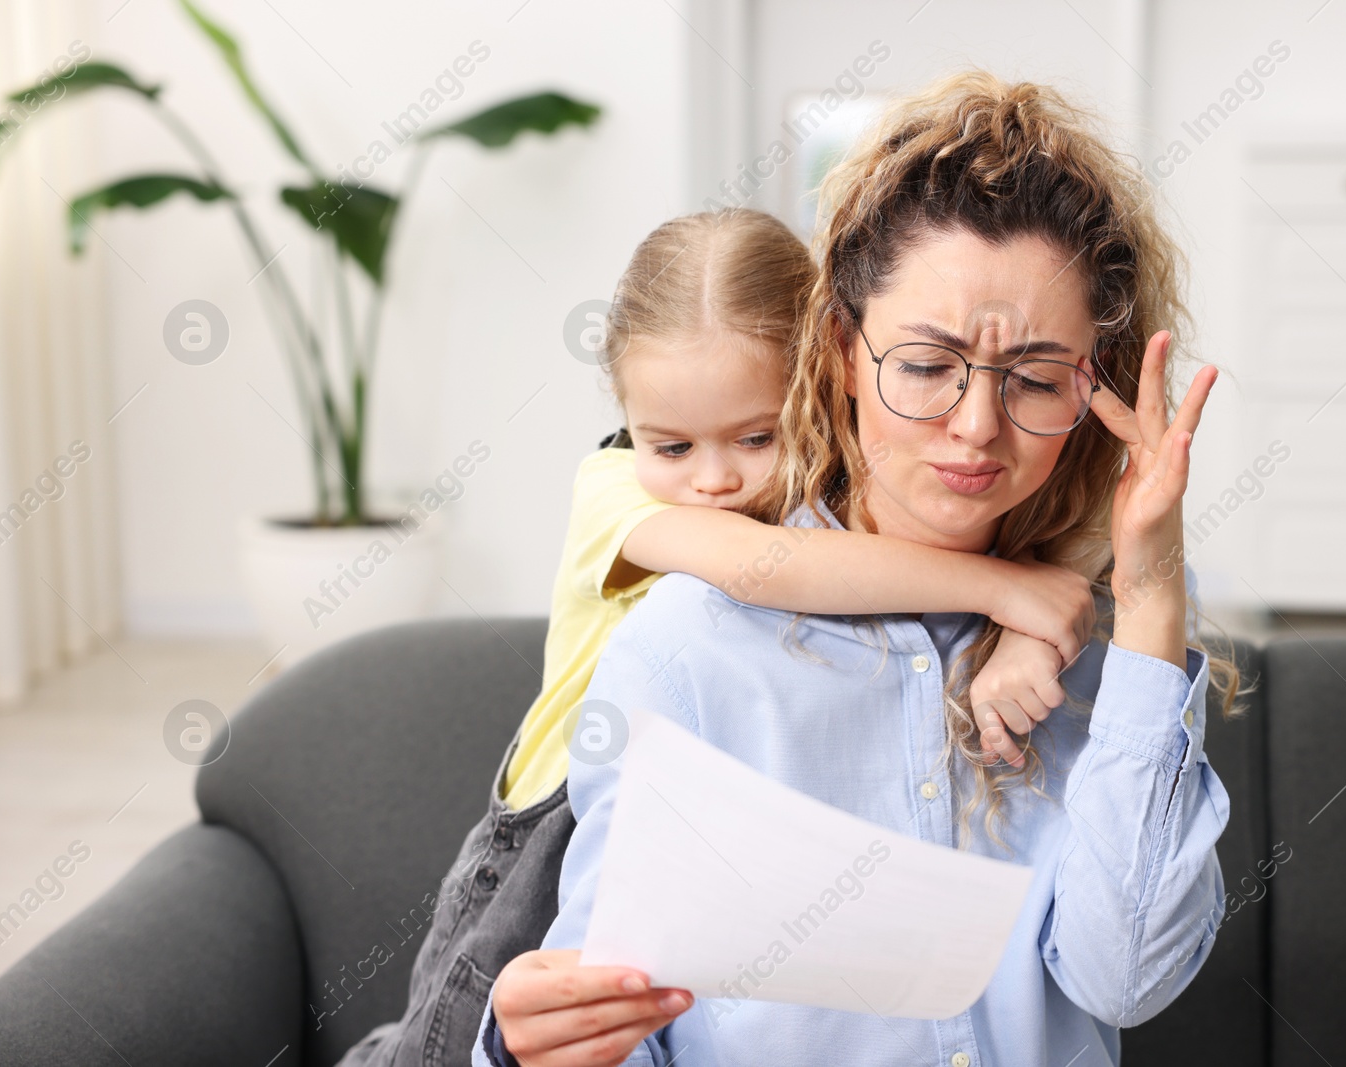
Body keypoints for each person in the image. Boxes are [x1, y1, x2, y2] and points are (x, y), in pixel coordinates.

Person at [477, 71, 1238, 1067]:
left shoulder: (1098, 665)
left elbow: (1126, 981)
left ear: (1091, 387)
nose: (976, 427)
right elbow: (621, 1014)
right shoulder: (687, 647)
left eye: (1037, 379)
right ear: (840, 347)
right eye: (925, 366)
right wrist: (542, 1045)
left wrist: (1147, 596)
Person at [335, 206, 1099, 1066]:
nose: (713, 479)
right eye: (671, 444)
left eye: (757, 437)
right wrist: (1008, 591)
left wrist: (1031, 632)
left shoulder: (853, 490)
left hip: (684, 803)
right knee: (458, 1039)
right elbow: (765, 568)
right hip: (546, 831)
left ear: (820, 387)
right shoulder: (615, 491)